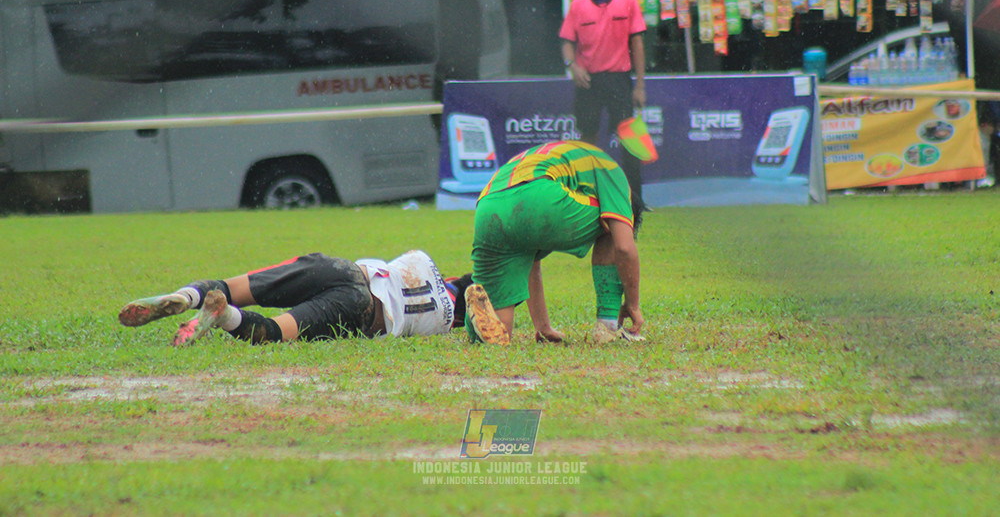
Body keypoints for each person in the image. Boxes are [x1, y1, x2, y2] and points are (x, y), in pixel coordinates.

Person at [464, 140, 645, 346]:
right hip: (540, 194)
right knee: (612, 222)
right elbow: (624, 247)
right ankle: (608, 325)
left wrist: (543, 327)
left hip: (488, 205)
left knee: (499, 330)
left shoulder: (559, 153)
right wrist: (632, 304)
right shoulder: (614, 173)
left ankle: (478, 323)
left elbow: (532, 263)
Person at [118, 250, 472, 346]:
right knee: (272, 332)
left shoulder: (422, 262)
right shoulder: (442, 320)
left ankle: (184, 296)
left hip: (342, 270)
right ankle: (224, 317)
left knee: (235, 286)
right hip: (362, 310)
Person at [559, 0, 647, 208]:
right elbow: (566, 43)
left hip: (620, 79)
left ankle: (636, 201)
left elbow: (638, 44)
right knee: (587, 139)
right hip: (588, 82)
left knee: (630, 141)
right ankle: (585, 197)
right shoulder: (578, 6)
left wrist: (640, 84)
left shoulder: (628, 2)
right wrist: (572, 66)